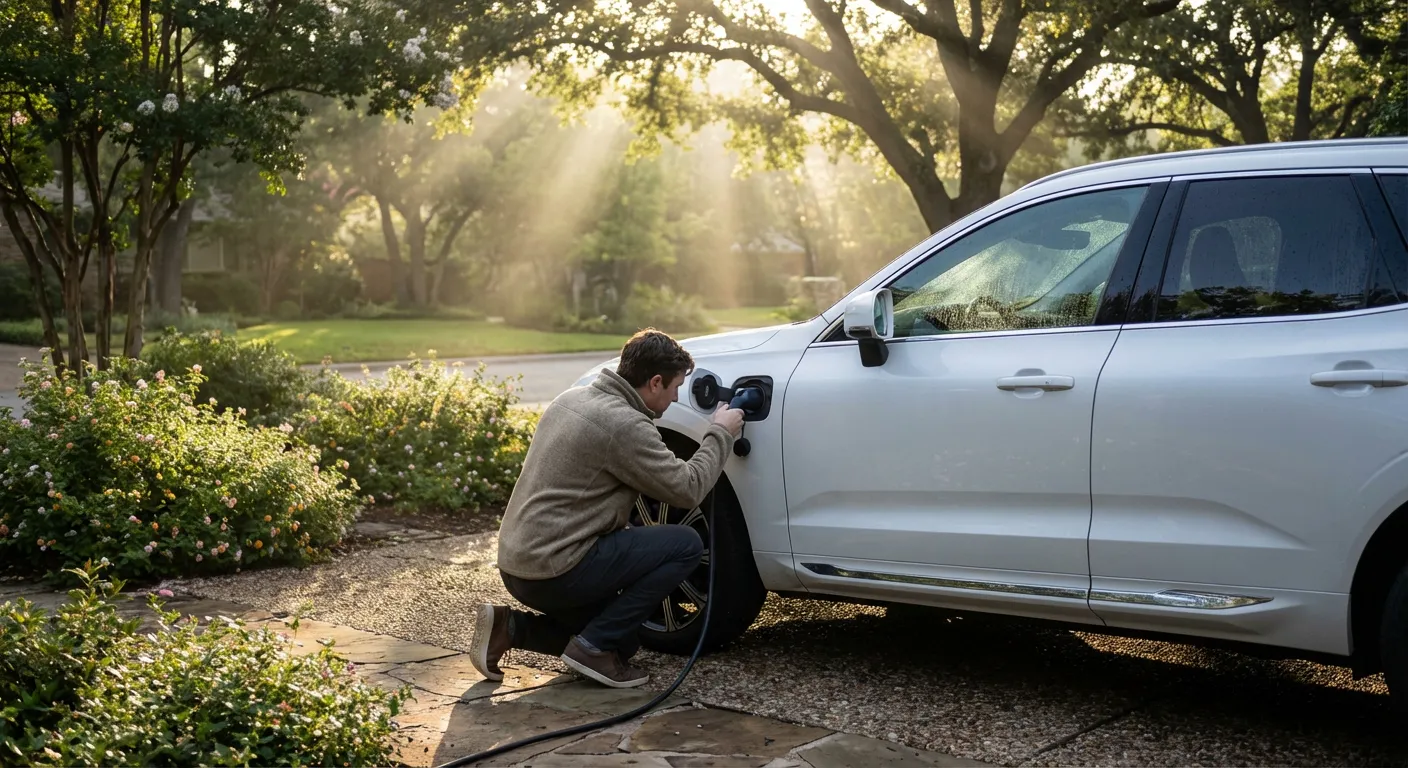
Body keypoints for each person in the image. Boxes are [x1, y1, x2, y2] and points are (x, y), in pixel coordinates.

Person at [469, 328, 745, 688]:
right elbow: (687, 488)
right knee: (686, 544)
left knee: (624, 643)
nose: (677, 398)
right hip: (557, 570)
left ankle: (510, 629)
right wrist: (720, 432)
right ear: (655, 382)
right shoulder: (624, 424)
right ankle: (592, 646)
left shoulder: (572, 398)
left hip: (518, 565)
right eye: (676, 388)